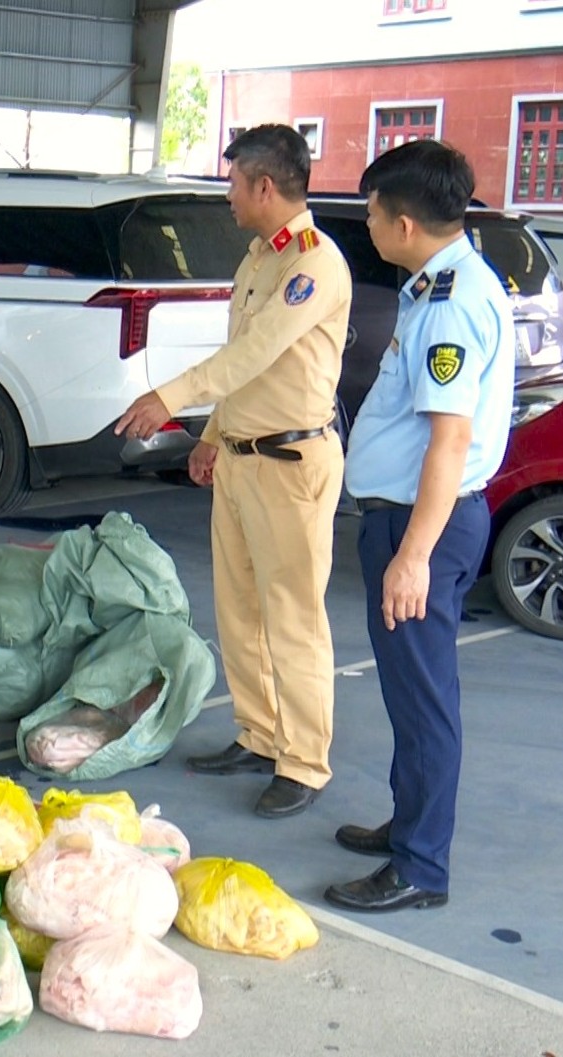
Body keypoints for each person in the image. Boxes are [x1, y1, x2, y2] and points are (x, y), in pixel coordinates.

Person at [115, 124, 351, 819]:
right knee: (240, 611)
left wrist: (168, 398)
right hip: (243, 457)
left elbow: (255, 354)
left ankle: (303, 761)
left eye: (232, 184)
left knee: (293, 618)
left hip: (290, 462)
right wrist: (212, 434)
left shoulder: (313, 264)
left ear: (263, 186)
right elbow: (244, 358)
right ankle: (258, 731)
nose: (228, 197)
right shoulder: (258, 258)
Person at [324, 141, 513, 912]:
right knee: (411, 694)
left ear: (402, 221)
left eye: (369, 213)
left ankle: (419, 866)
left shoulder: (448, 303)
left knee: (425, 700)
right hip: (411, 518)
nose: (365, 225)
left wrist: (413, 556)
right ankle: (410, 822)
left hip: (420, 525)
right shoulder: (437, 284)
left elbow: (450, 439)